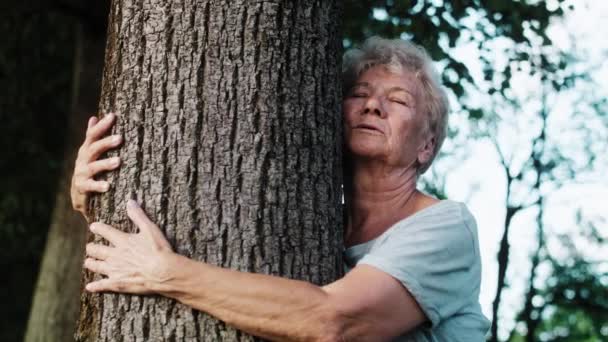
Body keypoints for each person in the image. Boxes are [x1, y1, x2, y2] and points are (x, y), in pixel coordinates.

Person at [71, 37, 490, 341]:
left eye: (398, 100)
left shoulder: (446, 228)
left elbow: (334, 321)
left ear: (426, 146)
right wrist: (92, 193)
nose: (372, 105)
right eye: (359, 94)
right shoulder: (311, 221)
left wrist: (166, 272)